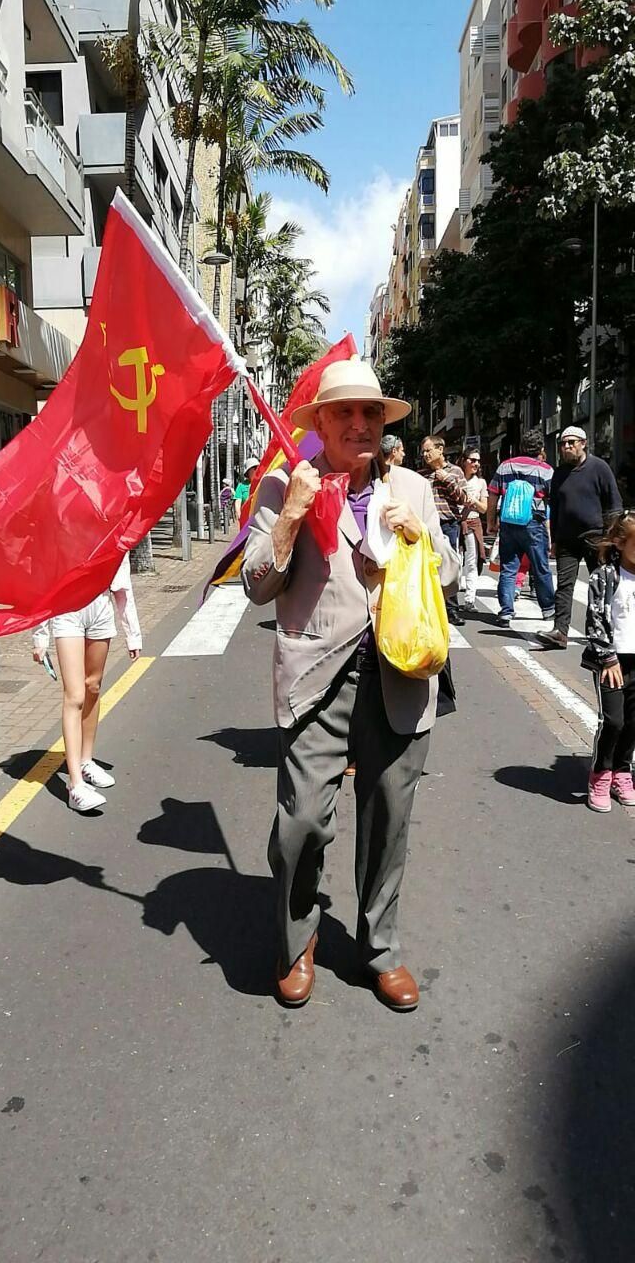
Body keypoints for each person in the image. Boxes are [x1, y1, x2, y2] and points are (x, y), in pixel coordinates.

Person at [242, 358, 459, 1011]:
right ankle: (296, 939)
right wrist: (290, 518)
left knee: (390, 820)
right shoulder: (287, 485)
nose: (360, 424)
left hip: (399, 676)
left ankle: (379, 950)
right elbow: (256, 584)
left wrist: (423, 543)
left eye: (371, 413)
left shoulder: (413, 490)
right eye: (345, 412)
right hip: (318, 681)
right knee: (301, 822)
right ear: (322, 423)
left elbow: (448, 575)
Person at [33, 554, 142, 813]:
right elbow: (42, 582)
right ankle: (76, 785)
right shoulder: (59, 529)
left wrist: (133, 635)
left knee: (93, 686)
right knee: (75, 695)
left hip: (100, 609)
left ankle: (86, 761)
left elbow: (123, 586)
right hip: (66, 610)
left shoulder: (114, 531)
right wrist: (39, 636)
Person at [537, 426, 622, 649]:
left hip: (596, 538)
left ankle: (598, 630)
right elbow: (554, 508)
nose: (567, 447)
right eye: (563, 443)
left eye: (572, 442)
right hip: (567, 539)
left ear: (583, 443)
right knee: (564, 586)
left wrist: (610, 538)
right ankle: (560, 632)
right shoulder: (559, 474)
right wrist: (553, 540)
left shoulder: (599, 468)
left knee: (600, 586)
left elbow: (614, 505)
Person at [582, 511, 635, 813]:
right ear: (618, 543)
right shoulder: (604, 576)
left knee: (633, 722)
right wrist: (608, 658)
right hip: (612, 662)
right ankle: (601, 774)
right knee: (614, 721)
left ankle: (623, 772)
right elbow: (595, 620)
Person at [487, 428, 555, 629]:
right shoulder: (546, 470)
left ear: (521, 447)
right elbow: (554, 500)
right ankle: (548, 609)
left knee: (508, 567)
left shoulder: (505, 467)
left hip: (509, 523)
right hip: (534, 523)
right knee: (540, 566)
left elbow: (492, 495)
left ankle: (506, 611)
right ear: (540, 448)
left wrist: (491, 521)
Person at [419, 436, 467, 625]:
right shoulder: (421, 474)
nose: (425, 455)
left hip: (448, 524)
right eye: (423, 451)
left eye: (428, 450)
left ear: (440, 449)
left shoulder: (455, 471)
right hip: (426, 526)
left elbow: (463, 499)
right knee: (427, 566)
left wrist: (447, 480)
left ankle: (451, 609)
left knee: (449, 565)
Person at [460, 447, 487, 613]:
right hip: (456, 523)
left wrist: (473, 502)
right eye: (472, 460)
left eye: (478, 460)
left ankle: (470, 599)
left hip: (473, 523)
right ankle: (451, 599)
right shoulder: (456, 477)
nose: (476, 463)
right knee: (454, 562)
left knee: (472, 562)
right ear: (464, 461)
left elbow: (484, 508)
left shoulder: (481, 483)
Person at [234, 457, 259, 522]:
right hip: (246, 519)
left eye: (258, 467)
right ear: (248, 471)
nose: (257, 470)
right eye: (255, 468)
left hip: (260, 518)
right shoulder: (241, 486)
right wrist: (238, 513)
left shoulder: (263, 482)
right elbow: (238, 501)